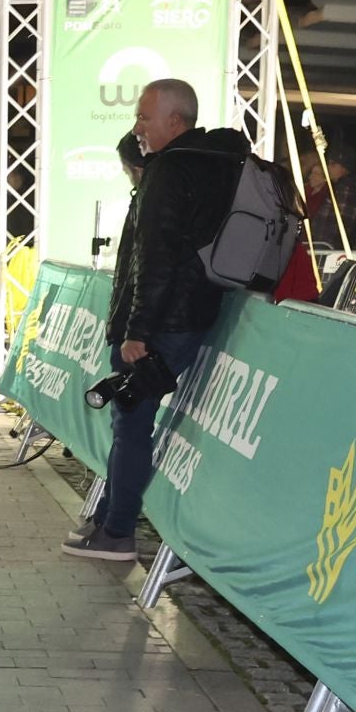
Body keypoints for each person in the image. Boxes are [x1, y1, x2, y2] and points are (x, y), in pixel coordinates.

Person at [65, 78, 248, 561]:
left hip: (162, 324)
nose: (137, 126)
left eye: (144, 117)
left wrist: (137, 333)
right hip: (192, 316)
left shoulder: (169, 170)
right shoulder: (218, 164)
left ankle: (117, 531)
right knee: (131, 422)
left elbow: (157, 258)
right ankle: (108, 517)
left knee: (130, 424)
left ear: (175, 120)